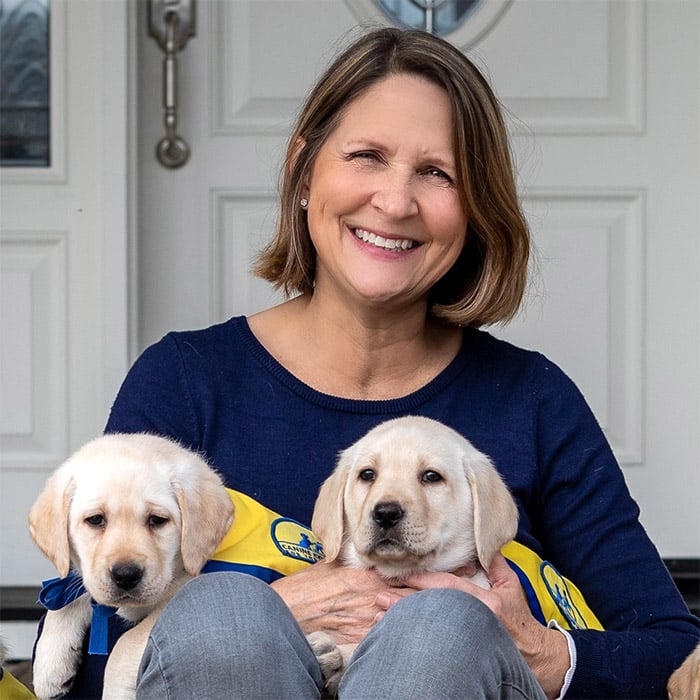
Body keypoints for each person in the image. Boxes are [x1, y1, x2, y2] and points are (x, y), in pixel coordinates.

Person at [61, 27, 698, 699]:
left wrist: (538, 648)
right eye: (367, 156)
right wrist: (278, 609)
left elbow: (674, 653)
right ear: (304, 173)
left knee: (438, 632)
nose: (396, 202)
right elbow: (81, 661)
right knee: (226, 617)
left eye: (437, 172)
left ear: (475, 208)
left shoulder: (530, 399)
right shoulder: (185, 383)